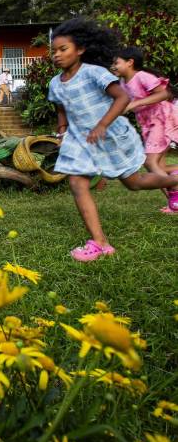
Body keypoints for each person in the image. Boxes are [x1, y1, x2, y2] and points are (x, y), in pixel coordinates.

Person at [47, 18, 178, 261]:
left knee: (134, 183)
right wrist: (62, 129)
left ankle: (174, 180)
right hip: (81, 139)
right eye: (53, 51)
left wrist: (102, 124)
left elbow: (122, 98)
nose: (57, 55)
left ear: (81, 49)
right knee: (77, 182)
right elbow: (60, 106)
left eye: (63, 49)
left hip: (112, 136)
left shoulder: (94, 73)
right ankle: (100, 243)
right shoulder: (55, 83)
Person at [113, 46, 178, 212]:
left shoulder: (142, 76)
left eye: (116, 63)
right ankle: (174, 205)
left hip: (161, 118)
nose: (113, 66)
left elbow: (165, 94)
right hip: (148, 123)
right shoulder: (122, 83)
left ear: (130, 62)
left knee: (149, 162)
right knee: (159, 167)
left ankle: (175, 196)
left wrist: (136, 103)